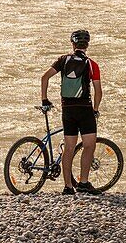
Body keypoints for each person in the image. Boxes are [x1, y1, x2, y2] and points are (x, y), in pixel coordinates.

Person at [41, 30, 103, 195]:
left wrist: (44, 99)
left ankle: (68, 186)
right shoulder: (91, 64)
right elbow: (98, 90)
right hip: (84, 108)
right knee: (89, 145)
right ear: (87, 45)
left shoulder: (63, 60)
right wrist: (95, 109)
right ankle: (83, 182)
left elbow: (44, 78)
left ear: (72, 44)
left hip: (67, 108)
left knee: (69, 148)